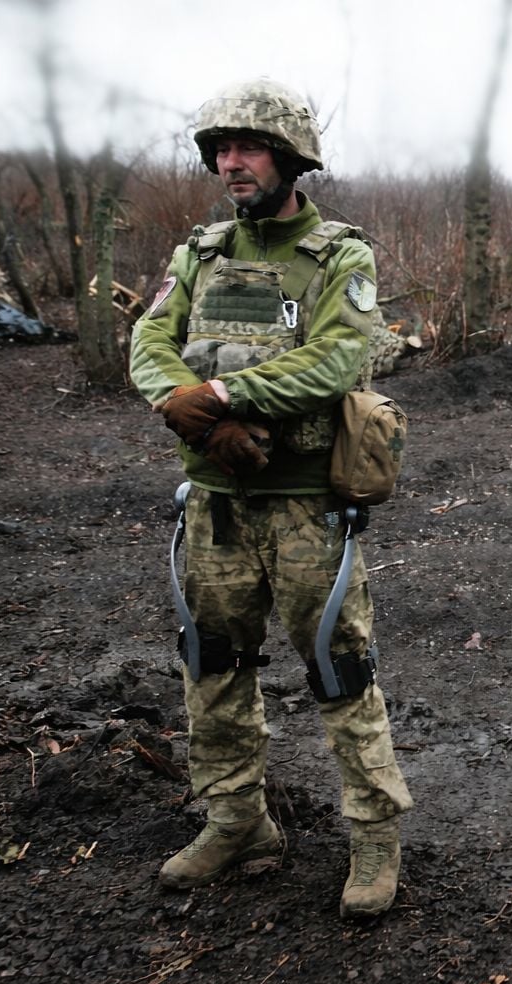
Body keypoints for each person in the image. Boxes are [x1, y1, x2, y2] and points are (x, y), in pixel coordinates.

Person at [129, 78, 413, 918]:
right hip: (214, 507)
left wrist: (215, 401)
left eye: (247, 147)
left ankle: (373, 838)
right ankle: (237, 822)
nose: (229, 162)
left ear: (289, 157)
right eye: (219, 149)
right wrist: (178, 404)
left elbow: (333, 361)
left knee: (339, 669)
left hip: (304, 509)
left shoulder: (340, 256)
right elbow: (151, 339)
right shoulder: (202, 252)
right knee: (212, 670)